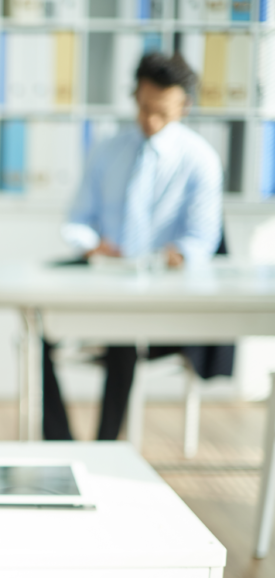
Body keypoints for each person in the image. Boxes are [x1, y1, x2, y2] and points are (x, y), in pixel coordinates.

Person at [44, 53, 227, 440]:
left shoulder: (201, 162)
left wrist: (176, 255)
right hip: (104, 284)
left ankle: (103, 447)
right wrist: (93, 246)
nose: (150, 120)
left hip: (164, 302)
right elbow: (76, 220)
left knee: (123, 338)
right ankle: (61, 442)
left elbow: (201, 241)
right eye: (143, 108)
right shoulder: (108, 151)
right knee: (38, 332)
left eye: (161, 111)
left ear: (184, 106)